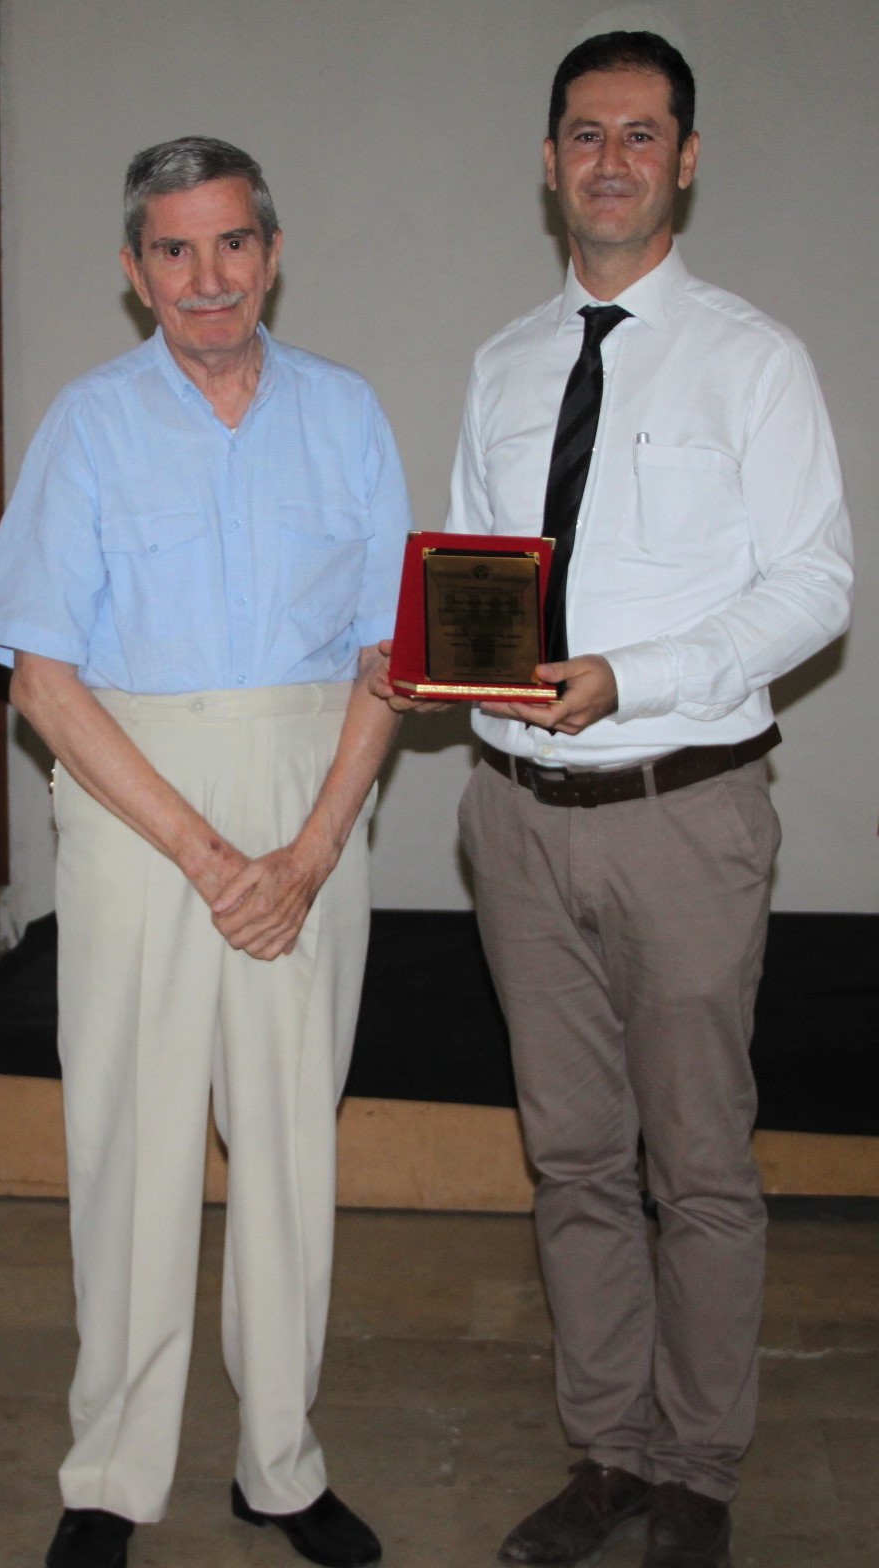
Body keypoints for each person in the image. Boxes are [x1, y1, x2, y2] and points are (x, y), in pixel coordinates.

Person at [376, 32, 853, 1568]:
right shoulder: (506, 363)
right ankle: (609, 1455)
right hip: (516, 819)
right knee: (574, 1157)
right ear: (548, 161)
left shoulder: (753, 360)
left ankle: (697, 1472)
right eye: (586, 133)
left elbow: (817, 589)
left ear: (686, 162)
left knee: (698, 1163)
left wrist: (630, 677)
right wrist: (434, 662)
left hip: (682, 810)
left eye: (642, 135)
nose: (611, 160)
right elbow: (484, 570)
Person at [0, 137, 410, 1568]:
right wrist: (212, 858)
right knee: (132, 1144)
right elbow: (43, 680)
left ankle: (281, 1465)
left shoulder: (346, 415)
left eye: (231, 244)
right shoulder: (89, 426)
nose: (206, 277)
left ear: (272, 254)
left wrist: (314, 848)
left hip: (311, 800)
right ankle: (111, 1476)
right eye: (174, 249)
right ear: (134, 269)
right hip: (133, 806)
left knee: (289, 1145)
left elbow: (390, 656)